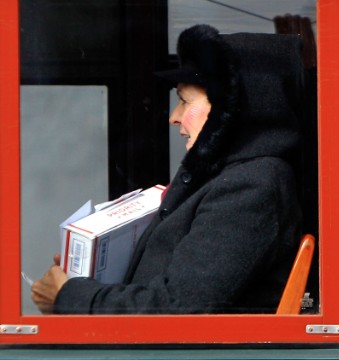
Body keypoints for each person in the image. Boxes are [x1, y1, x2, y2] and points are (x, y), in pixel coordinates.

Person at [31, 24, 306, 314]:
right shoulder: (228, 180)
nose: (174, 117)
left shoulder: (251, 187)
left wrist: (70, 296)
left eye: (185, 101)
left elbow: (178, 310)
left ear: (231, 110)